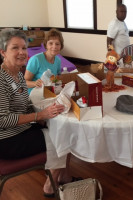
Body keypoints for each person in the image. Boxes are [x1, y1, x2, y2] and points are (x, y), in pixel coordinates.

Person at [0, 28, 74, 197]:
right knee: (63, 138)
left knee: (62, 131)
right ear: (3, 52)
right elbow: (2, 120)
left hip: (20, 130)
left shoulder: (16, 74)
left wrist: (40, 119)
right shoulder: (2, 78)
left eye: (24, 48)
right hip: (7, 140)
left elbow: (22, 104)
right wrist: (39, 116)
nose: (21, 52)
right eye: (15, 48)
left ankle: (64, 176)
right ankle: (51, 185)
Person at [24, 28, 63, 94]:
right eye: (51, 43)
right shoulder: (36, 59)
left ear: (61, 46)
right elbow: (24, 83)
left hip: (50, 92)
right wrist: (35, 83)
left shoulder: (58, 60)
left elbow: (57, 78)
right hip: (35, 94)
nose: (54, 46)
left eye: (57, 44)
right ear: (46, 45)